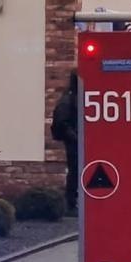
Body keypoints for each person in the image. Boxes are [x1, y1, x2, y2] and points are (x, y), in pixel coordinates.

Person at [50, 70, 81, 212]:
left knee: (78, 170)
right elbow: (63, 123)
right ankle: (71, 202)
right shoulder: (69, 99)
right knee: (75, 170)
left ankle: (75, 200)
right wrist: (75, 138)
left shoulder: (75, 96)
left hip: (77, 139)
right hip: (74, 141)